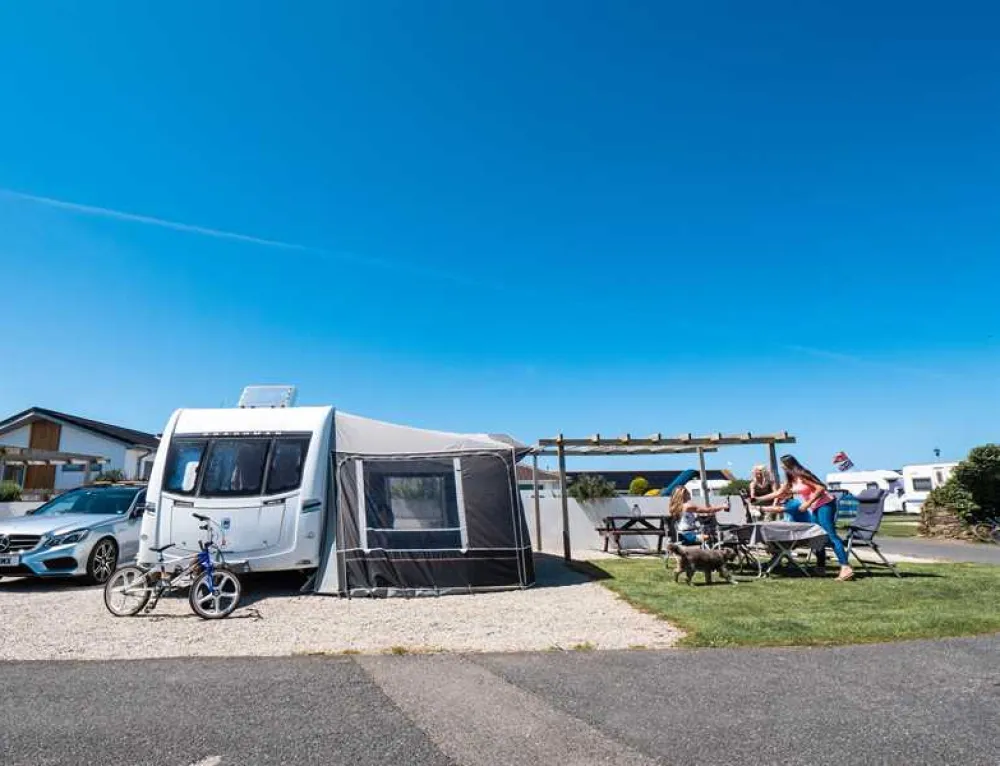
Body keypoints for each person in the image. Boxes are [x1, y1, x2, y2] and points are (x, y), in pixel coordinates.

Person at [764, 455, 854, 581]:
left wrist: (807, 503)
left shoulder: (802, 475)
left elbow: (821, 488)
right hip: (816, 507)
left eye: (782, 464)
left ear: (789, 464)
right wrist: (757, 499)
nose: (781, 466)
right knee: (816, 535)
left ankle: (846, 567)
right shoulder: (791, 479)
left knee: (830, 535)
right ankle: (820, 567)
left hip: (825, 504)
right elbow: (778, 493)